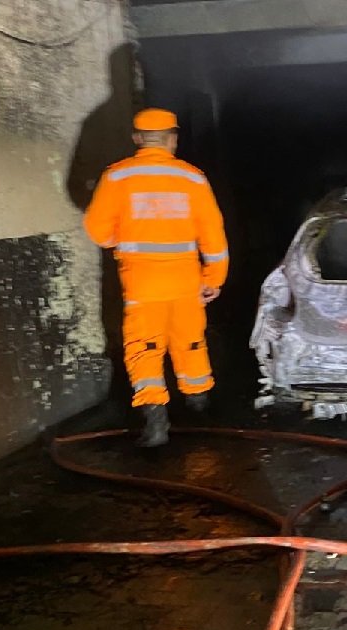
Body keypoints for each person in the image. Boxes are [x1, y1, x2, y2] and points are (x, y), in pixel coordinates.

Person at [83, 108, 229, 447]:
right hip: (186, 280)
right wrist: (214, 278)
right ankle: (199, 406)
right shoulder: (192, 178)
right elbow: (213, 235)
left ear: (137, 138)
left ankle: (156, 423)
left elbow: (96, 229)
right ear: (172, 139)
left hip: (142, 282)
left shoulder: (118, 176)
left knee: (144, 348)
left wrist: (121, 239)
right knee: (190, 341)